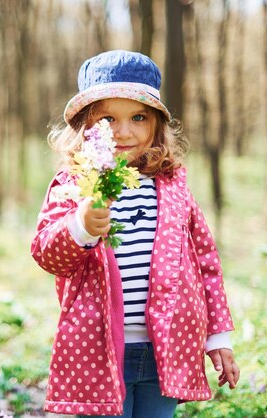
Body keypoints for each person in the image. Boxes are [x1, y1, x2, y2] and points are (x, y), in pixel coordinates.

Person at [31, 50, 240, 417]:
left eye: (138, 117)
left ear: (157, 123)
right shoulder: (75, 186)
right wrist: (80, 226)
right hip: (99, 350)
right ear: (85, 127)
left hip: (168, 348)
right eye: (108, 118)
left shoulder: (173, 186)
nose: (124, 131)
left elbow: (206, 263)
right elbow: (47, 253)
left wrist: (217, 337)